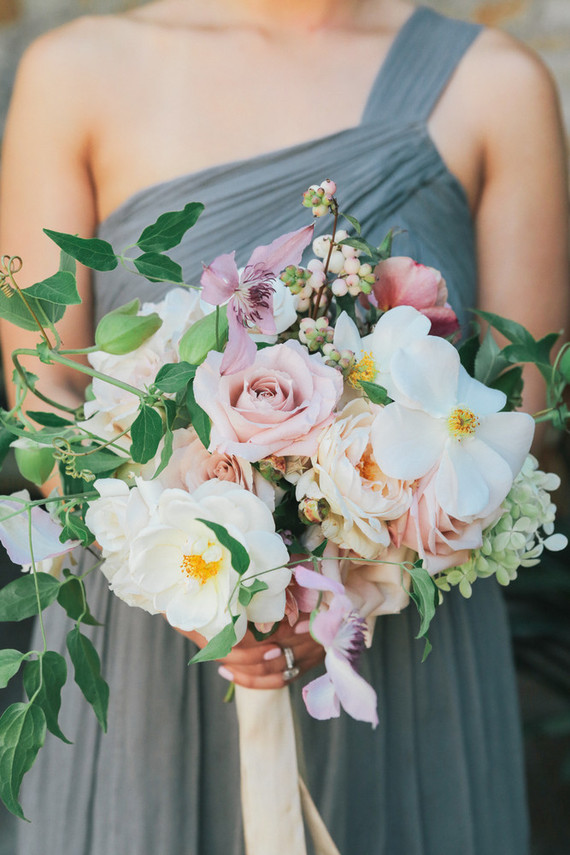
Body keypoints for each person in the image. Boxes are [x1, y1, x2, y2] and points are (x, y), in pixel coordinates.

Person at [0, 1, 567, 852]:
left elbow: (522, 420)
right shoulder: (75, 73)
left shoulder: (495, 87)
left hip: (391, 646)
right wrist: (206, 589)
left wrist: (350, 574)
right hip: (154, 629)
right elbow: (44, 411)